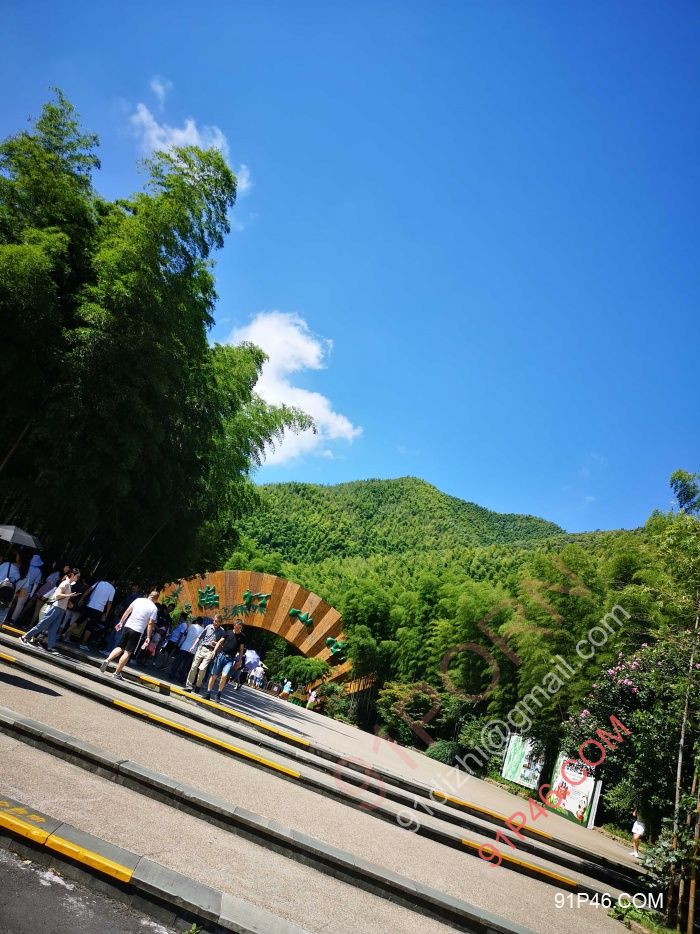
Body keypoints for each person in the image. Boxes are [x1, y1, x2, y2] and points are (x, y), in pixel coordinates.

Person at [99, 590, 159, 680]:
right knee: (127, 652)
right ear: (156, 599)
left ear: (149, 595)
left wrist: (121, 622)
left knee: (120, 647)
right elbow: (150, 623)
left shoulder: (138, 600)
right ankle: (116, 673)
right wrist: (148, 637)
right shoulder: (153, 608)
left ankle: (108, 659)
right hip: (138, 630)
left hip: (127, 626)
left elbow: (127, 611)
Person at [20, 569, 80, 653]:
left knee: (53, 629)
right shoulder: (65, 583)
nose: (78, 578)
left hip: (61, 609)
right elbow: (57, 595)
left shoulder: (68, 585)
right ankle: (25, 636)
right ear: (72, 575)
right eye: (77, 576)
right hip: (56, 607)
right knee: (43, 624)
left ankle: (50, 646)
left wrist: (69, 602)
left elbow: (62, 597)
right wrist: (69, 595)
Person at [64, 578, 115, 649]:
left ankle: (65, 633)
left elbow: (88, 590)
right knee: (90, 627)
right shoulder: (112, 589)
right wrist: (106, 613)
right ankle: (83, 644)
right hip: (99, 610)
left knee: (79, 621)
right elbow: (110, 603)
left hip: (89, 606)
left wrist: (82, 598)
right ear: (113, 581)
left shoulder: (99, 582)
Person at [203, 620, 245, 702]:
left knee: (224, 676)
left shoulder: (242, 636)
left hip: (230, 659)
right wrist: (214, 651)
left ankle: (218, 695)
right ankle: (208, 693)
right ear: (234, 626)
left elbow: (241, 649)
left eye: (240, 628)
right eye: (237, 627)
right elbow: (219, 642)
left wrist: (239, 660)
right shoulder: (228, 632)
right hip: (221, 656)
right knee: (214, 675)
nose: (238, 629)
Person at [185, 614, 225, 693]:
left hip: (210, 651)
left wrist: (216, 643)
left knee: (202, 669)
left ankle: (198, 685)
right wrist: (193, 646)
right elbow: (200, 637)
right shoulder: (208, 627)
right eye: (215, 621)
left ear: (220, 622)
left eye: (218, 622)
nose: (216, 623)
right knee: (193, 667)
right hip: (201, 648)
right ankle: (189, 685)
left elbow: (222, 645)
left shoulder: (222, 631)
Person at [11, 554, 43, 623]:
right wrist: (31, 594)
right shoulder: (39, 571)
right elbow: (36, 583)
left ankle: (7, 615)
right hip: (28, 588)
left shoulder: (25, 566)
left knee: (11, 601)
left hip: (19, 584)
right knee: (20, 605)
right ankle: (13, 620)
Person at [172, 616, 204, 682]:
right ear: (202, 623)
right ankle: (181, 678)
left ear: (196, 621)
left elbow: (185, 634)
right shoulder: (203, 630)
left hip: (184, 646)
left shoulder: (191, 626)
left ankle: (172, 674)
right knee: (186, 665)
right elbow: (200, 641)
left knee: (178, 662)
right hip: (193, 650)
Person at [0, 553, 21, 624]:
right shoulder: (25, 574)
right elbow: (22, 592)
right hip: (8, 599)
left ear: (18, 557)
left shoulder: (6, 565)